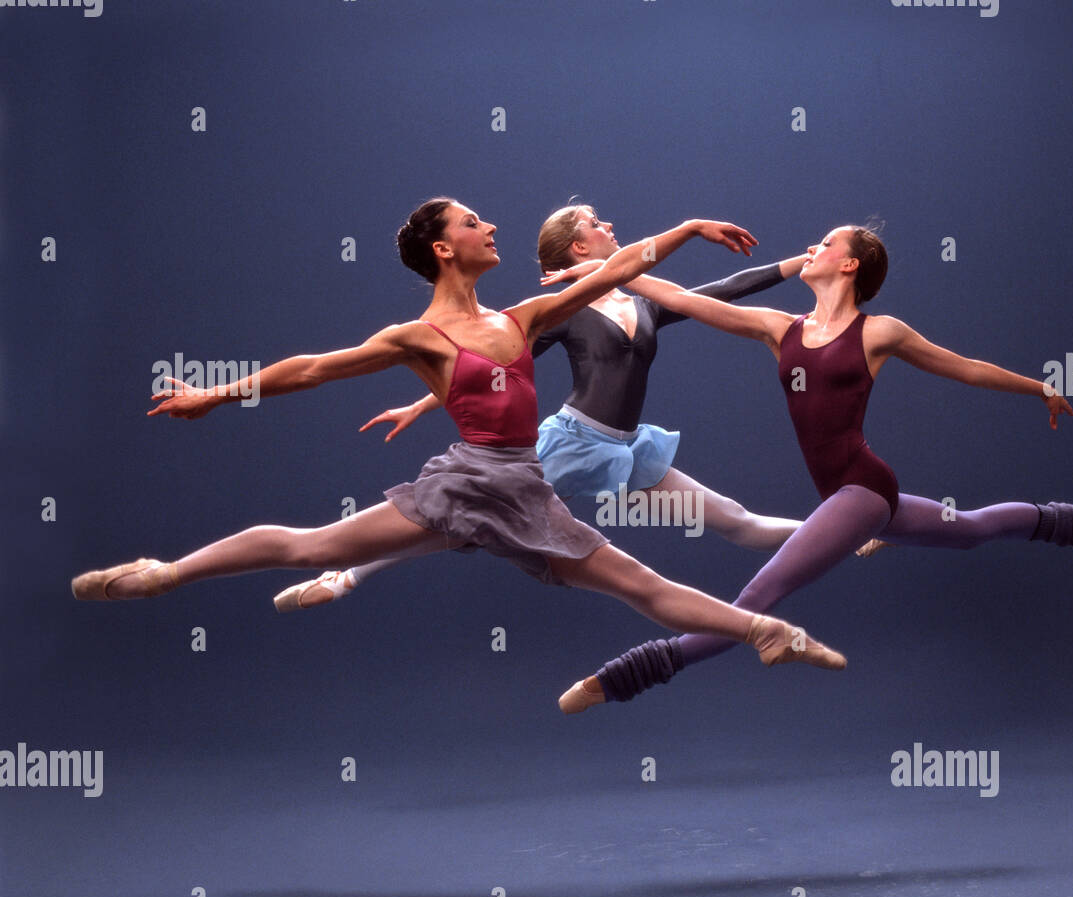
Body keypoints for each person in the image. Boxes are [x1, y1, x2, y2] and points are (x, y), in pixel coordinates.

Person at [69, 199, 847, 676]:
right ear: (445, 247)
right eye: (475, 222)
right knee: (314, 547)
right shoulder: (420, 335)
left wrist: (686, 228)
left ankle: (768, 630)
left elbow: (616, 273)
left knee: (640, 585)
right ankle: (166, 572)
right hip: (468, 480)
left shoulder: (519, 318)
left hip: (527, 487)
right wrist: (216, 391)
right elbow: (310, 369)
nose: (492, 226)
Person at [556, 222, 1073, 713]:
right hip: (856, 496)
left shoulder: (879, 332)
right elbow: (685, 299)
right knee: (971, 530)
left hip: (862, 490)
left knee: (758, 596)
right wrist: (599, 275)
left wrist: (1038, 387)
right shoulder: (780, 328)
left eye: (827, 244)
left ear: (850, 267)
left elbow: (964, 367)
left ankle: (619, 679)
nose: (813, 248)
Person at [271, 203, 880, 613]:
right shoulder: (564, 310)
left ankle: (843, 531)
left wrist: (795, 265)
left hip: (628, 447)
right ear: (574, 247)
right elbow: (485, 366)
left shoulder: (647, 303)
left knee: (737, 520)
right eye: (594, 222)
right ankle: (344, 574)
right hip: (571, 442)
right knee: (467, 528)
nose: (607, 224)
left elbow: (717, 293)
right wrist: (421, 403)